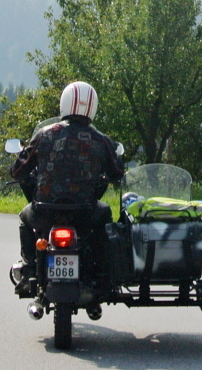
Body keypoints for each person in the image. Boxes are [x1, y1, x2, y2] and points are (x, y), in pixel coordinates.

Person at [10, 81, 124, 293]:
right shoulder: (101, 140)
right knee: (105, 215)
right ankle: (101, 274)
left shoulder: (45, 133)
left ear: (65, 103)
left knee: (24, 218)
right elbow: (118, 174)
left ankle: (30, 270)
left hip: (45, 212)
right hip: (85, 214)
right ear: (92, 107)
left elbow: (19, 171)